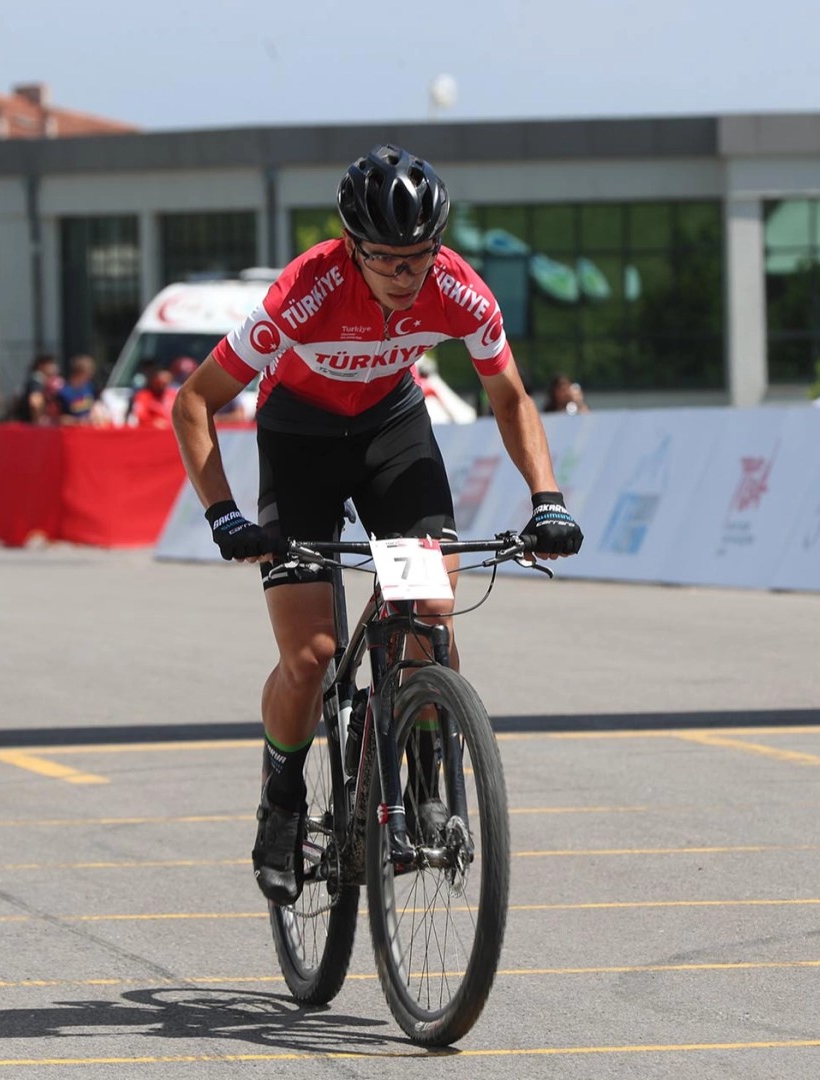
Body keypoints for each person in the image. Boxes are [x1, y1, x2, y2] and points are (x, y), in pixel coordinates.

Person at [170, 144, 583, 905]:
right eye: (389, 259)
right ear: (353, 247)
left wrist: (547, 496)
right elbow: (193, 401)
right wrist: (222, 513)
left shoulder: (458, 289)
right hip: (300, 441)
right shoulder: (305, 293)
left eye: (420, 256)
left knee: (428, 611)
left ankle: (421, 772)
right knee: (313, 655)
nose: (407, 274)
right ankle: (285, 797)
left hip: (393, 433)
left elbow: (513, 400)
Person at [9, 353, 59, 424]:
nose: (54, 367)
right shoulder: (37, 379)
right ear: (41, 365)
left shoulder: (42, 380)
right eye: (50, 364)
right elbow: (35, 401)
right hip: (28, 422)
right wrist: (38, 420)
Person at [56, 354, 103, 426]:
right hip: (72, 432)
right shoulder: (63, 392)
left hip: (89, 430)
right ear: (79, 372)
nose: (91, 375)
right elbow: (58, 419)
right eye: (88, 372)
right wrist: (78, 421)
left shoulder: (89, 387)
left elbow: (94, 406)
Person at [131, 363, 176, 429]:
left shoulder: (172, 394)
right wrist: (153, 422)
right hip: (153, 431)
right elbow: (141, 415)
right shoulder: (143, 396)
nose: (162, 386)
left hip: (172, 431)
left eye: (165, 383)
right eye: (160, 383)